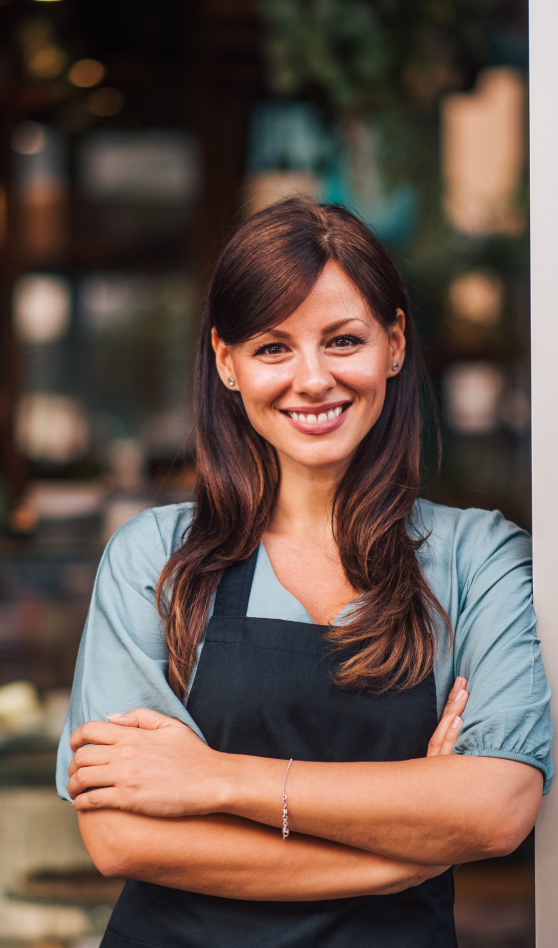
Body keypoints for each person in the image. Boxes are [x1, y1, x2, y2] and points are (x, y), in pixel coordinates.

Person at [56, 200, 553, 948]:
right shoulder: (154, 559)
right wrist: (405, 854)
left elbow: (497, 809)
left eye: (343, 340)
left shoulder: (479, 560)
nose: (312, 379)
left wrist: (214, 779)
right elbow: (126, 840)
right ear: (227, 361)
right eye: (273, 348)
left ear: (393, 343)